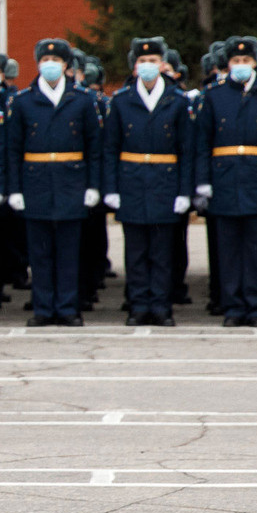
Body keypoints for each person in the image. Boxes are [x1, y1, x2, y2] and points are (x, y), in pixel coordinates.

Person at [3, 39, 102, 326]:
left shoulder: (82, 101)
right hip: (36, 183)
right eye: (45, 61)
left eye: (56, 61)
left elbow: (94, 148)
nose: (50, 65)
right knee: (40, 253)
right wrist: (14, 189)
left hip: (71, 182)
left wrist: (93, 186)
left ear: (66, 66)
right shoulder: (23, 101)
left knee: (69, 252)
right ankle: (43, 309)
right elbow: (12, 150)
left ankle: (68, 308)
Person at [192, 35, 257, 327]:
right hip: (224, 180)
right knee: (228, 250)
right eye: (236, 60)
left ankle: (256, 308)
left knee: (256, 249)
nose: (241, 65)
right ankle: (232, 307)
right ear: (228, 64)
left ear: (255, 62)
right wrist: (203, 181)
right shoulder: (214, 95)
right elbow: (202, 142)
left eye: (246, 60)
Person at [102, 36, 195, 326]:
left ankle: (161, 307)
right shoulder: (121, 101)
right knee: (136, 252)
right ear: (134, 67)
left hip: (165, 184)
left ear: (163, 64)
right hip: (131, 182)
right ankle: (139, 306)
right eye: (142, 61)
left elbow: (187, 151)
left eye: (152, 61)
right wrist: (111, 188)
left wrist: (185, 191)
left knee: (162, 252)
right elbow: (110, 148)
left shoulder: (177, 101)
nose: (147, 66)